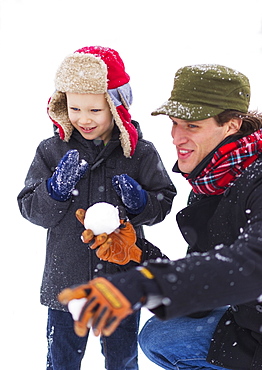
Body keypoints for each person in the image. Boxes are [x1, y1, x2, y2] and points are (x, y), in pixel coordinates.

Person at [58, 64, 262, 370]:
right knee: (162, 335)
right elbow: (204, 287)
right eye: (175, 123)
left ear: (232, 125)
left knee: (166, 337)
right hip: (251, 319)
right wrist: (137, 255)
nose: (176, 137)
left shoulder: (256, 180)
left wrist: (144, 285)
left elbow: (253, 265)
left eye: (191, 126)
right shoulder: (214, 181)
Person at [17, 46, 176, 370]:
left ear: (117, 108)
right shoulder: (51, 151)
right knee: (61, 360)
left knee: (122, 360)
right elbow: (30, 207)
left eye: (95, 110)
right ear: (62, 104)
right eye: (75, 108)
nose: (84, 119)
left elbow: (163, 201)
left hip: (121, 282)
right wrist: (54, 191)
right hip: (66, 284)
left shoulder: (139, 153)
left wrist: (141, 203)